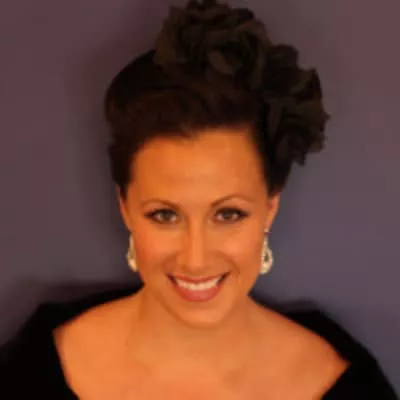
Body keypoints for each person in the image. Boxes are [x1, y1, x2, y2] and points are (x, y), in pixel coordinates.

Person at [0, 0, 398, 398]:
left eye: (228, 214)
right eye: (164, 215)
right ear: (125, 207)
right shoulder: (32, 372)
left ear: (270, 207)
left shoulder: (348, 389)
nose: (195, 259)